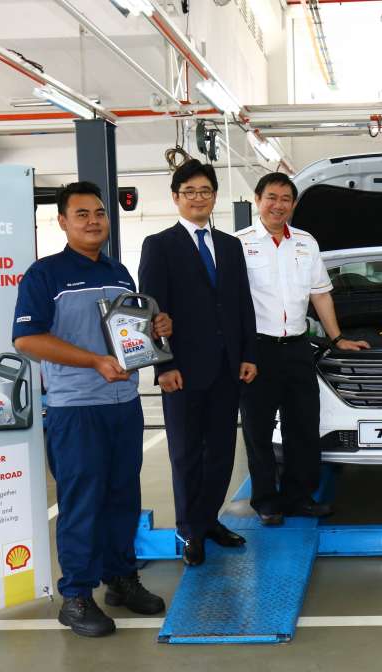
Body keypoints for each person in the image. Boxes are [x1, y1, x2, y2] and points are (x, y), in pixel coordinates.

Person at [13, 181, 169, 638]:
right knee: (82, 502)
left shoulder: (120, 272)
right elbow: (26, 339)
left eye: (99, 212)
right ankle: (76, 595)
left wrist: (156, 327)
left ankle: (120, 577)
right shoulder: (45, 275)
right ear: (62, 221)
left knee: (123, 495)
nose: (93, 220)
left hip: (123, 403)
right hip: (76, 407)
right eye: (81, 214)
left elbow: (129, 333)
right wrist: (94, 361)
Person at [138, 160, 258, 566]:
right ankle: (190, 530)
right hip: (182, 372)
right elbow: (151, 313)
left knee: (222, 452)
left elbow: (242, 304)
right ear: (176, 197)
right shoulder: (160, 244)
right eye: (189, 191)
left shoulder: (230, 245)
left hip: (227, 368)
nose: (198, 198)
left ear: (214, 196)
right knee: (186, 453)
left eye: (205, 190)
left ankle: (208, 520)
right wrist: (163, 366)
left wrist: (247, 355)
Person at [236, 172, 369, 525]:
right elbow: (229, 302)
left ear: (293, 205)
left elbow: (320, 293)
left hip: (298, 347)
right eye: (271, 197)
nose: (278, 205)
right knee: (258, 429)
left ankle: (300, 497)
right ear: (257, 199)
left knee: (303, 426)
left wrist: (337, 337)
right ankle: (266, 500)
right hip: (257, 349)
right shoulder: (239, 244)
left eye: (285, 199)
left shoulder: (306, 243)